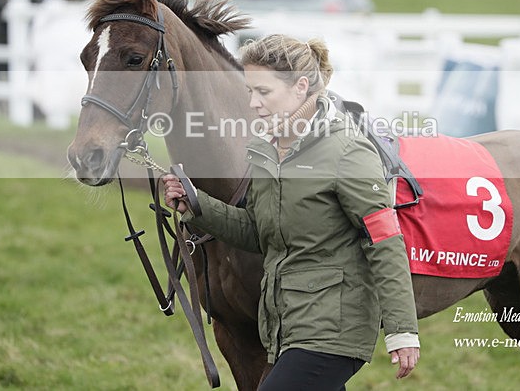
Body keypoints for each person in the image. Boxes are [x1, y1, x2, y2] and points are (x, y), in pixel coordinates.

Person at [162, 35, 420, 390]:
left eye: (263, 92)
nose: (252, 103)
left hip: (332, 330)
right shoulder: (267, 151)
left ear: (301, 87)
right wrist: (197, 207)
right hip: (285, 327)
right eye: (249, 91)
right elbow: (257, 232)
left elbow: (385, 240)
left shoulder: (347, 151)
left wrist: (402, 330)